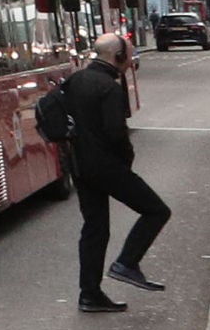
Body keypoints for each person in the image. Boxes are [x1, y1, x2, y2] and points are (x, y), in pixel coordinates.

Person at [57, 31, 170, 313]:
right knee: (156, 210)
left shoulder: (75, 79)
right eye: (127, 55)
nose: (129, 60)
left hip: (80, 166)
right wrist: (125, 162)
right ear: (117, 56)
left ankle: (89, 294)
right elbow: (116, 133)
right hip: (106, 166)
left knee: (95, 228)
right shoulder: (109, 87)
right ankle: (127, 263)